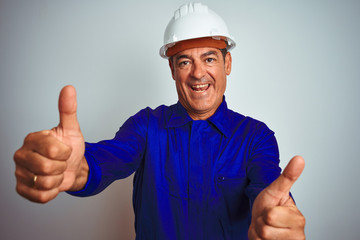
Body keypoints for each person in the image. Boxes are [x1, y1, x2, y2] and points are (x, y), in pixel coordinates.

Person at [13, 3, 305, 240]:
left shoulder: (256, 137)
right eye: (184, 61)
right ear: (172, 69)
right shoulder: (147, 126)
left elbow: (269, 192)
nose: (198, 73)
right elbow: (105, 160)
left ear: (227, 64)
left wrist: (278, 218)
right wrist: (73, 168)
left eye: (210, 59)